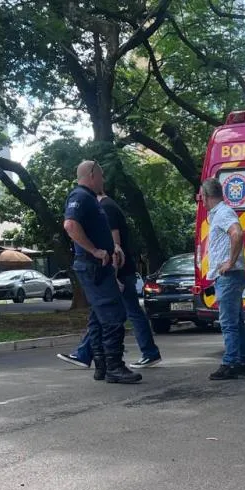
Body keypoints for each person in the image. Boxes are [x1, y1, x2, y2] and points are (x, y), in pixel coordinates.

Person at [57, 191, 162, 369]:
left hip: (117, 270)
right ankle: (85, 353)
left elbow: (115, 246)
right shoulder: (109, 206)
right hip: (121, 269)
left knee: (123, 313)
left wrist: (113, 276)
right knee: (102, 314)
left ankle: (144, 353)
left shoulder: (105, 208)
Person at [62, 160, 141, 384]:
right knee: (113, 316)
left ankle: (103, 365)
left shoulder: (88, 198)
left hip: (97, 264)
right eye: (102, 176)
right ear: (93, 174)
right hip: (93, 265)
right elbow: (70, 225)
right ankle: (114, 367)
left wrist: (111, 247)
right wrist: (95, 250)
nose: (103, 181)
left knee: (99, 316)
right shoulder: (81, 197)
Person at [200, 177, 245, 380]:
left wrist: (230, 262)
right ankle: (241, 362)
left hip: (229, 275)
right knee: (237, 322)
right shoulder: (219, 213)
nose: (200, 200)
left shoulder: (222, 213)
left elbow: (237, 233)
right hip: (232, 276)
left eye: (201, 196)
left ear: (206, 196)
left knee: (228, 322)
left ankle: (230, 362)